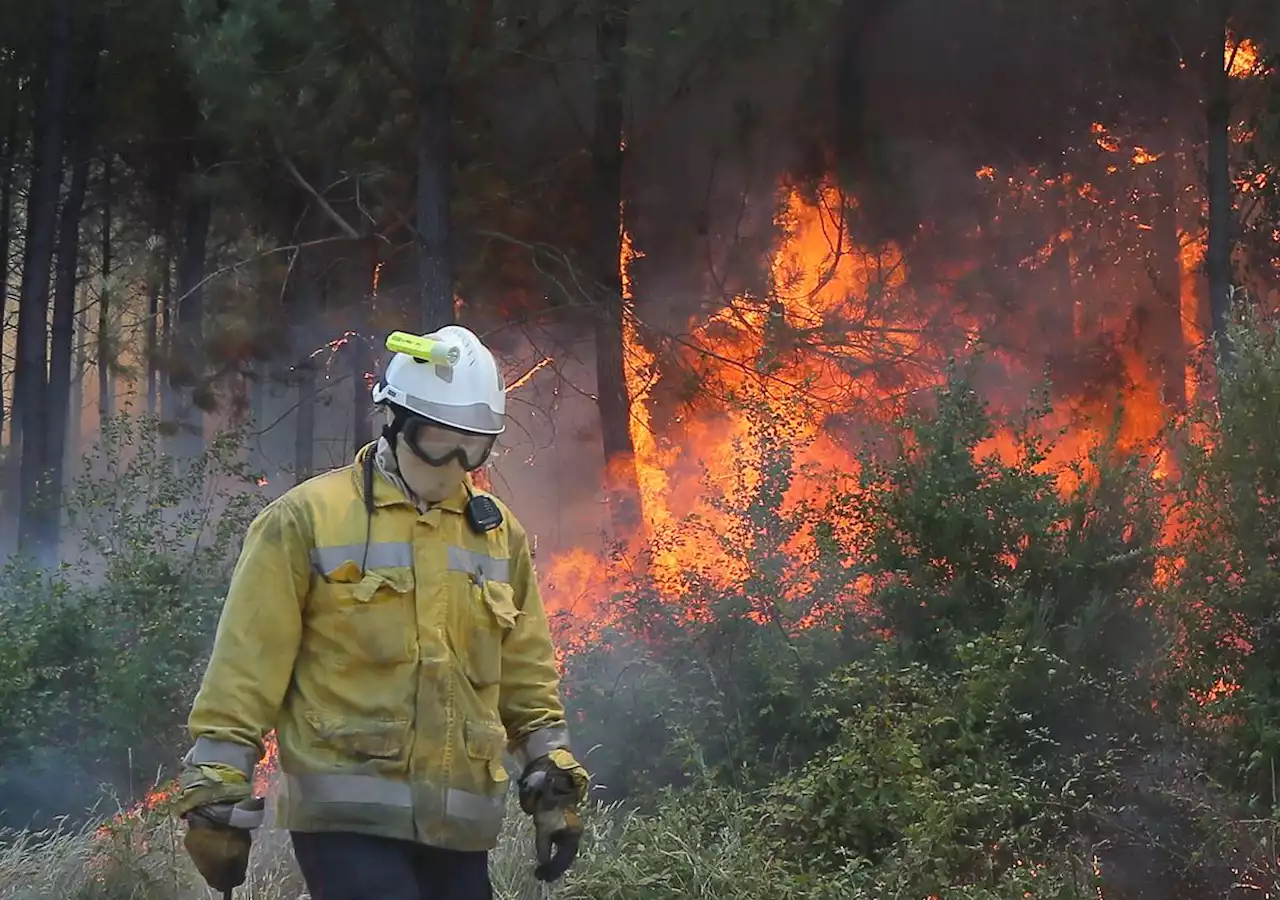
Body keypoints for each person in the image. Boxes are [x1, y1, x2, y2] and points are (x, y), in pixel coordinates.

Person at [172, 325, 590, 900]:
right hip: (346, 819)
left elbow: (527, 677)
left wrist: (554, 785)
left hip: (459, 825)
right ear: (393, 420)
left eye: (473, 445)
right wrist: (216, 790)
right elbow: (247, 663)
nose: (455, 462)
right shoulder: (306, 520)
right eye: (437, 439)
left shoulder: (499, 537)